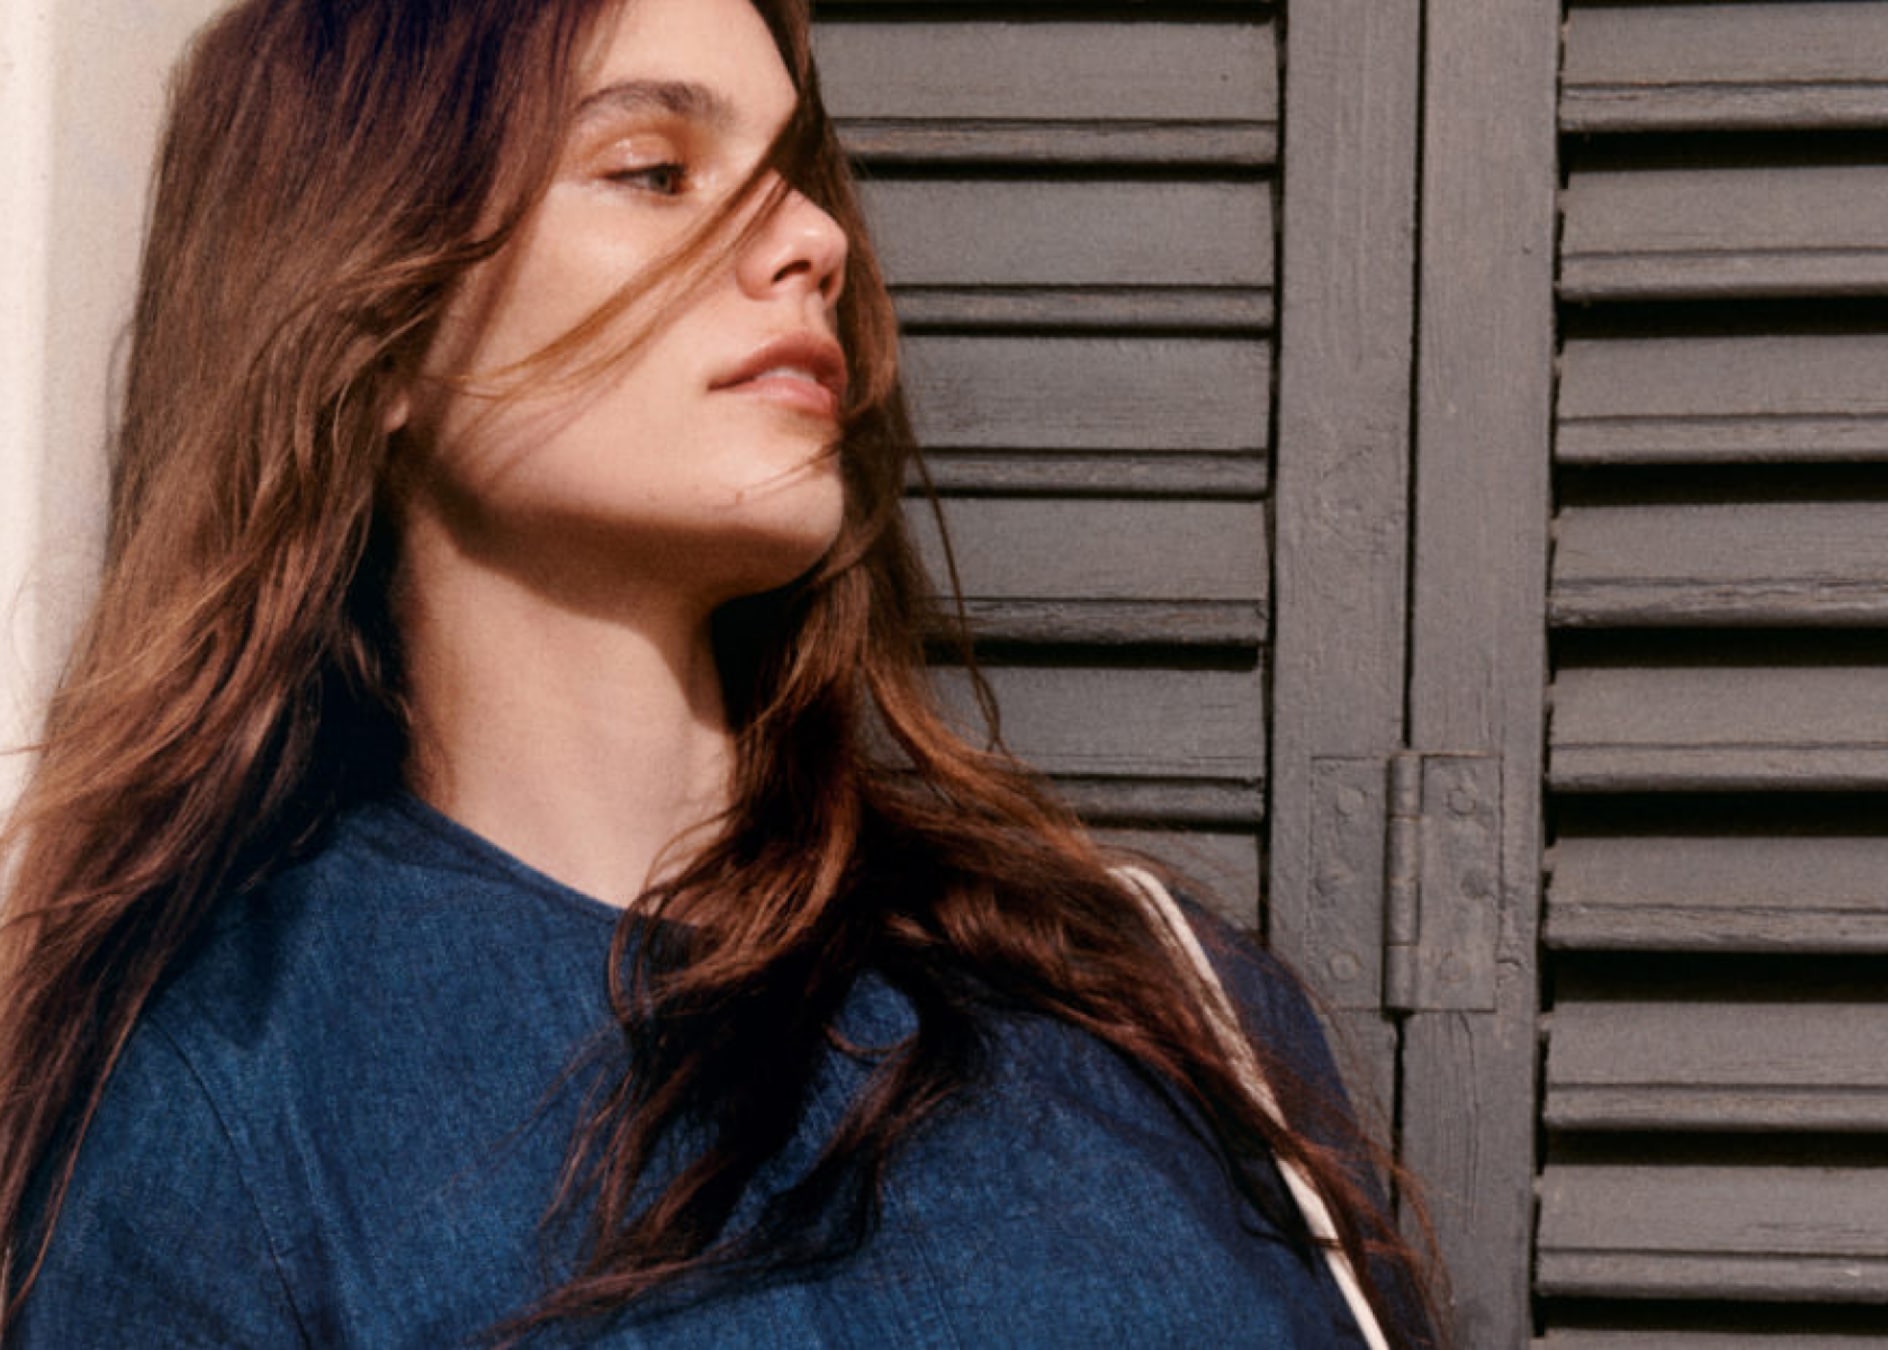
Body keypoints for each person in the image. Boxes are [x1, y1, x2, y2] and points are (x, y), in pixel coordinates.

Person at [0, 0, 1446, 1344]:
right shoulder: (217, 1110)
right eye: (655, 170)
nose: (812, 237)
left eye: (795, 175)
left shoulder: (1152, 991)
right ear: (374, 334)